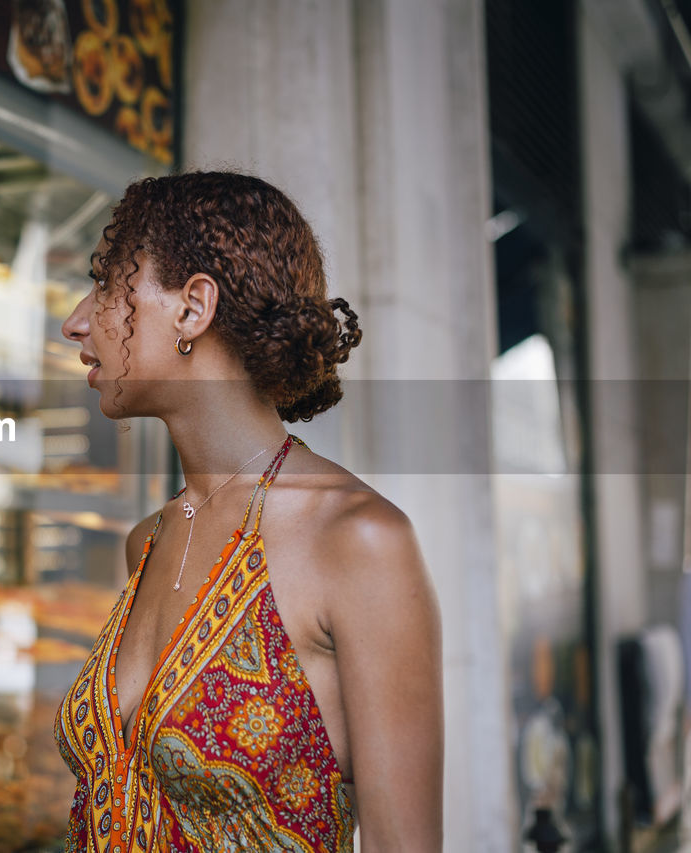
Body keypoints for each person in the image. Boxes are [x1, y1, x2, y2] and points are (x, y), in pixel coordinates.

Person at [54, 171, 443, 852]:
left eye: (110, 283)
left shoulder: (358, 540)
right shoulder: (147, 542)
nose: (77, 321)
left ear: (192, 307)